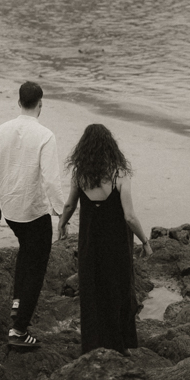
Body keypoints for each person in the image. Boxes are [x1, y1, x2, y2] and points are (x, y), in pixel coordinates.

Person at [0, 80, 64, 351]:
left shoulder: (1, 130)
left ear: (19, 102)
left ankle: (16, 309)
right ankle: (18, 331)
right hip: (34, 213)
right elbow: (51, 181)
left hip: (12, 211)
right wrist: (62, 213)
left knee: (25, 257)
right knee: (35, 270)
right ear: (41, 104)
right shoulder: (45, 135)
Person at [58, 123, 152, 355]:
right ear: (111, 146)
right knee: (119, 290)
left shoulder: (80, 175)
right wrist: (145, 241)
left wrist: (62, 223)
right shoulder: (120, 175)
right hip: (117, 245)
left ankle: (92, 345)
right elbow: (129, 216)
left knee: (92, 292)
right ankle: (120, 345)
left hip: (90, 244)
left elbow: (69, 205)